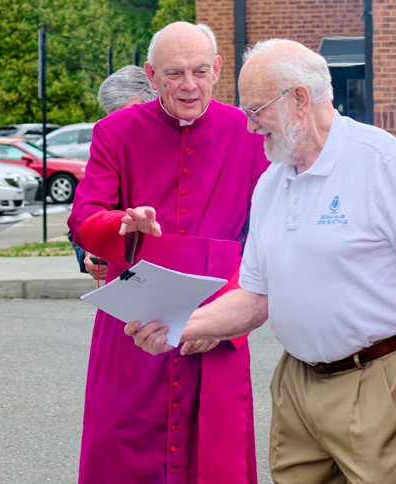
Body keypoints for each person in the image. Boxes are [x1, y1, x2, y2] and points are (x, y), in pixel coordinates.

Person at [127, 38, 396, 484]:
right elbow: (254, 298)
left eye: (255, 110)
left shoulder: (381, 161)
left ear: (300, 100)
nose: (250, 127)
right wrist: (173, 325)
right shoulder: (272, 181)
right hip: (297, 380)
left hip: (379, 375)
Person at [66, 22, 270, 483]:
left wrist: (226, 315)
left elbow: (265, 238)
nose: (189, 85)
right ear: (152, 75)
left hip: (217, 325)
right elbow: (84, 217)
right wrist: (122, 227)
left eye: (200, 71)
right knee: (121, 456)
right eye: (174, 73)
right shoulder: (114, 131)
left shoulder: (250, 134)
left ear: (218, 68)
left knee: (215, 460)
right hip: (133, 333)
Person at [69, 65, 158, 282]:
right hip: (128, 284)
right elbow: (82, 217)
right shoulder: (109, 149)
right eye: (113, 119)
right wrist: (89, 254)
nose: (119, 128)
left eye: (129, 118)